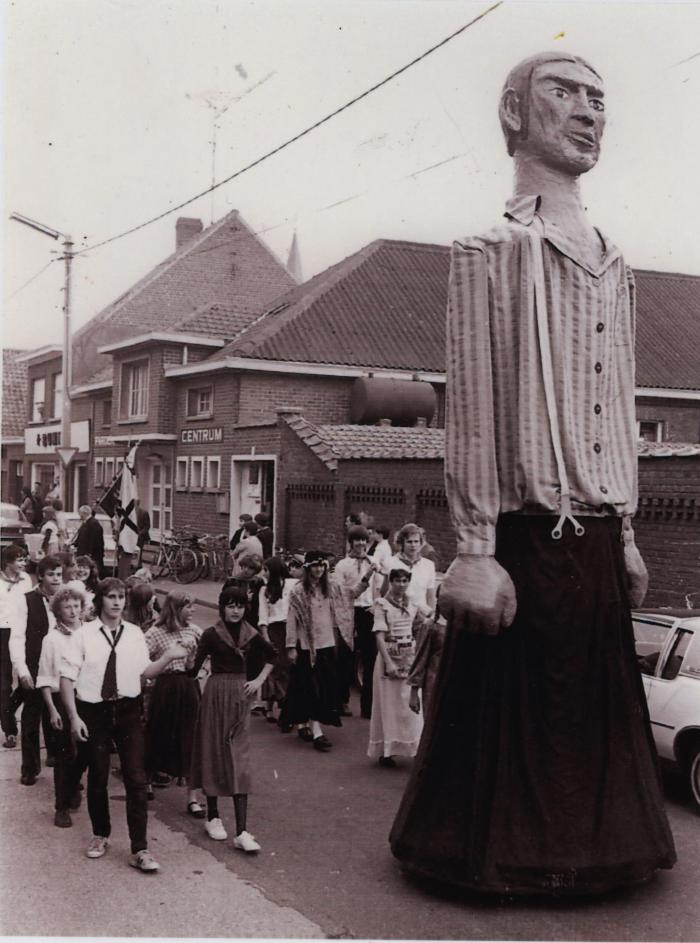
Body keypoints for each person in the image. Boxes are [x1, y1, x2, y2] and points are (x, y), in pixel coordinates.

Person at [390, 51, 676, 896]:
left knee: (590, 718)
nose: (589, 110)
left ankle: (598, 848)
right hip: (519, 536)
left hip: (590, 538)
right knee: (506, 730)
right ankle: (493, 854)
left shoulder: (616, 262)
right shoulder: (489, 252)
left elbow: (620, 403)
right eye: (565, 92)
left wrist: (623, 530)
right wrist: (474, 544)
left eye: (599, 97)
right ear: (515, 112)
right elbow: (473, 399)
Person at [59, 577, 188, 871]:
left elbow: (144, 673)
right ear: (100, 601)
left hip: (128, 710)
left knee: (136, 777)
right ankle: (100, 834)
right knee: (98, 775)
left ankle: (139, 849)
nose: (117, 602)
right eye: (111, 597)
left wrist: (168, 657)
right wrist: (74, 717)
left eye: (121, 597)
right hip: (93, 711)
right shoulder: (84, 635)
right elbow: (66, 678)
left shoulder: (133, 634)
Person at [188, 584, 274, 852]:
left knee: (239, 759)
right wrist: (187, 652)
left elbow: (273, 655)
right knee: (213, 751)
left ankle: (242, 831)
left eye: (239, 605)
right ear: (222, 607)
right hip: (215, 696)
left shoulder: (251, 634)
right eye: (230, 605)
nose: (235, 611)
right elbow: (193, 669)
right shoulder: (211, 635)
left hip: (239, 697)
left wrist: (258, 680)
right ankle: (213, 816)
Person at [284, 551, 353, 752]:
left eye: (322, 566)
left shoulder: (330, 588)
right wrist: (290, 646)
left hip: (326, 644)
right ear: (307, 568)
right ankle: (308, 726)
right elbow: (291, 620)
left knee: (322, 687)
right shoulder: (298, 591)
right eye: (315, 566)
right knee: (306, 687)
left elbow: (350, 595)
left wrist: (367, 578)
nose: (319, 570)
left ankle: (314, 728)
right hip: (306, 646)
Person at [144, 591, 204, 817]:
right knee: (158, 732)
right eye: (188, 606)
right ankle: (147, 779)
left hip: (188, 687)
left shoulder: (196, 631)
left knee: (190, 738)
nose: (193, 611)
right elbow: (142, 660)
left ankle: (192, 796)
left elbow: (198, 667)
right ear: (176, 608)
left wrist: (190, 658)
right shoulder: (156, 632)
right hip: (165, 688)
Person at [37, 583, 88, 827]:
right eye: (67, 607)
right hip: (60, 698)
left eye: (76, 606)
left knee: (84, 754)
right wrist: (52, 709)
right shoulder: (52, 638)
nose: (72, 610)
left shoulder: (90, 634)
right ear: (58, 610)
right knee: (64, 755)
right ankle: (62, 806)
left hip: (86, 697)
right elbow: (45, 676)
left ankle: (73, 785)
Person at [9, 554, 63, 784]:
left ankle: (57, 757)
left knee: (58, 716)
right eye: (51, 574)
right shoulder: (26, 600)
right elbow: (17, 637)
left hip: (59, 669)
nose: (56, 579)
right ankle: (29, 768)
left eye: (59, 575)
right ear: (40, 576)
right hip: (34, 666)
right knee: (31, 719)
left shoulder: (64, 599)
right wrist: (21, 670)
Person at [368, 569, 424, 768]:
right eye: (397, 581)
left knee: (410, 705)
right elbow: (379, 636)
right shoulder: (382, 604)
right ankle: (387, 751)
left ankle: (416, 748)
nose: (401, 585)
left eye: (405, 581)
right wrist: (388, 662)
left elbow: (424, 622)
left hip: (408, 657)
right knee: (388, 705)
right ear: (390, 582)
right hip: (388, 658)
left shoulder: (413, 603)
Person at [333, 525, 377, 719]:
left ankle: (368, 706)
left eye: (364, 540)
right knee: (345, 656)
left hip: (368, 612)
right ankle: (341, 700)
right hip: (348, 612)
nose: (361, 544)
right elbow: (342, 593)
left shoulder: (374, 562)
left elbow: (379, 589)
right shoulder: (342, 565)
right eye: (357, 540)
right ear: (350, 542)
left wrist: (376, 605)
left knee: (370, 658)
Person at [257, 557, 296, 726]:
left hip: (290, 629)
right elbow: (263, 614)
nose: (262, 573)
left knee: (288, 668)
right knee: (273, 667)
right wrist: (265, 637)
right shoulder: (265, 590)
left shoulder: (292, 585)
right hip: (274, 630)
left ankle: (286, 707)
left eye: (265, 570)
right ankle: (270, 706)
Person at [0, 545, 32, 749]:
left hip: (22, 632)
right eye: (19, 559)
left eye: (24, 559)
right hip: (2, 632)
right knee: (3, 683)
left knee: (26, 678)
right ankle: (10, 729)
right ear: (7, 562)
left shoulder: (27, 579)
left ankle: (8, 709)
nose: (23, 563)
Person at [387, 524, 436, 618]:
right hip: (396, 616)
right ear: (402, 543)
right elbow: (384, 593)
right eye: (409, 542)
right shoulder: (390, 563)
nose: (413, 545)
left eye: (416, 541)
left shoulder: (429, 565)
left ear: (421, 543)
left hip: (420, 617)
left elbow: (430, 596)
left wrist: (430, 617)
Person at [407, 612, 447, 720]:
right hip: (434, 681)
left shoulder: (462, 624)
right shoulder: (430, 625)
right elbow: (420, 658)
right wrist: (414, 693)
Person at [73, 505, 105, 575]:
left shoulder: (94, 524)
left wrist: (89, 554)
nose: (79, 515)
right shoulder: (86, 523)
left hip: (91, 556)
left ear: (84, 513)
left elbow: (94, 541)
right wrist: (74, 544)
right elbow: (81, 538)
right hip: (84, 555)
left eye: (80, 513)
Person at [135, 500, 151, 564]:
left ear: (138, 503)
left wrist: (140, 533)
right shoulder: (130, 513)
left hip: (140, 537)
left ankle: (139, 565)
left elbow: (147, 526)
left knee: (139, 552)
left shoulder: (144, 513)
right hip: (132, 536)